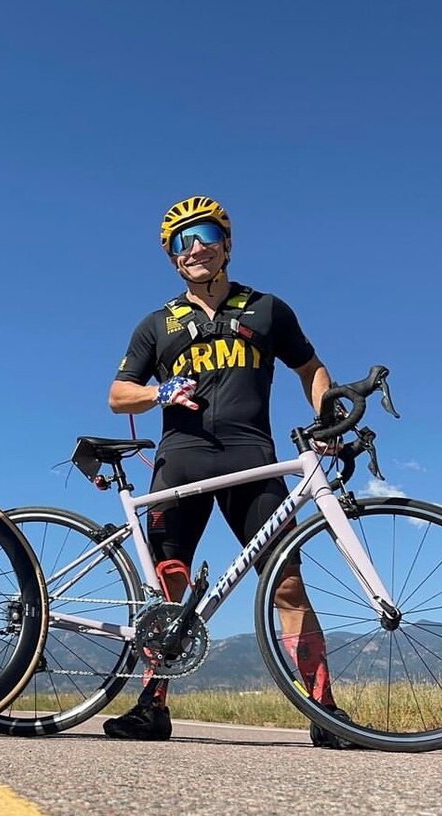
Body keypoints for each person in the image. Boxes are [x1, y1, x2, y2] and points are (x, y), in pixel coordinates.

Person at [105, 195, 354, 749]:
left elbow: (310, 368)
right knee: (167, 590)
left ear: (227, 244)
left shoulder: (267, 309)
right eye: (180, 242)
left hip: (252, 459)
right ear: (172, 259)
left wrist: (327, 416)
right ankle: (151, 708)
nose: (194, 248)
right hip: (181, 461)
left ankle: (324, 710)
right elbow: (117, 395)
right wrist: (157, 392)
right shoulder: (156, 323)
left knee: (287, 584)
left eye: (204, 235)